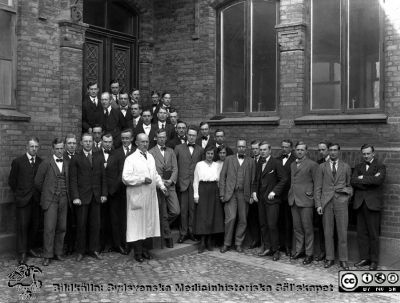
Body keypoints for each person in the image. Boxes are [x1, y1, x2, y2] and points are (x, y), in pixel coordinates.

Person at [122, 133, 168, 262]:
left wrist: (162, 186)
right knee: (137, 226)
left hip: (150, 197)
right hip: (137, 197)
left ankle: (145, 250)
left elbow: (156, 174)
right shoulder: (130, 159)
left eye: (147, 142)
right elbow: (125, 178)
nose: (145, 144)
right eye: (142, 142)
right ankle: (137, 253)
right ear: (136, 143)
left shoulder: (151, 157)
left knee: (148, 225)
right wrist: (142, 179)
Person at [69, 133, 107, 262]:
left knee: (95, 225)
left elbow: (103, 177)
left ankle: (94, 249)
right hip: (82, 197)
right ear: (81, 143)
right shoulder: (76, 158)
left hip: (96, 196)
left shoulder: (99, 156)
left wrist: (103, 193)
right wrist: (75, 196)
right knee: (81, 225)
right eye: (85, 141)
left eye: (90, 141)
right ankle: (80, 251)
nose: (88, 143)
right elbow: (73, 179)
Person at [315, 143, 352, 270]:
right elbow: (318, 187)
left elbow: (350, 186)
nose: (332, 152)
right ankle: (329, 258)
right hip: (326, 203)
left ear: (339, 151)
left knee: (342, 232)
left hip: (341, 202)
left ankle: (343, 259)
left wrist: (346, 195)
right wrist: (318, 204)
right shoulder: (321, 167)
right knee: (328, 232)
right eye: (330, 150)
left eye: (335, 150)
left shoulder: (346, 167)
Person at [35, 138, 69, 266]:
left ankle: (58, 252)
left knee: (62, 227)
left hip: (64, 199)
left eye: (61, 148)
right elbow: (38, 182)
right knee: (49, 228)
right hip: (50, 200)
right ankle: (47, 255)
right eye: (57, 149)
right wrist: (47, 193)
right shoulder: (46, 163)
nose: (60, 151)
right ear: (53, 149)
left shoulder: (66, 163)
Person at [351, 144, 386, 270]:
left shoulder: (380, 166)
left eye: (368, 153)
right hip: (360, 203)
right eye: (364, 154)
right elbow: (353, 181)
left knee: (373, 233)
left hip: (373, 204)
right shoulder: (359, 166)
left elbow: (378, 181)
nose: (366, 156)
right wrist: (369, 181)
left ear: (373, 153)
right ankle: (364, 258)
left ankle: (374, 261)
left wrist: (363, 178)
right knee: (361, 233)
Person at [8, 137, 43, 264]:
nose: (34, 149)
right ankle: (22, 252)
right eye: (32, 146)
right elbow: (12, 181)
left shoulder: (40, 162)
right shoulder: (18, 162)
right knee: (23, 226)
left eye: (36, 147)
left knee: (35, 225)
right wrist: (19, 195)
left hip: (36, 200)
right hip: (23, 200)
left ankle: (30, 248)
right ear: (27, 147)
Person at [252, 142, 287, 261]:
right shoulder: (259, 163)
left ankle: (275, 250)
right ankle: (267, 247)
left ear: (270, 150)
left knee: (272, 225)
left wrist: (275, 191)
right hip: (261, 199)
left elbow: (284, 179)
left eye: (264, 149)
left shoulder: (276, 162)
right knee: (263, 225)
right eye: (260, 150)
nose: (262, 152)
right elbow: (256, 179)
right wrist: (254, 192)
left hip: (272, 200)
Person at [219, 139, 255, 253]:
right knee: (231, 218)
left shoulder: (251, 161)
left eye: (243, 147)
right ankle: (226, 243)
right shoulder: (229, 159)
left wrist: (251, 195)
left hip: (244, 194)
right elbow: (222, 177)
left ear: (246, 148)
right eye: (239, 146)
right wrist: (222, 194)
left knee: (243, 219)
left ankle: (238, 243)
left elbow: (253, 180)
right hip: (231, 193)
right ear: (236, 147)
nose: (241, 148)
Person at [105, 129, 135, 255]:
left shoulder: (136, 152)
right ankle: (119, 244)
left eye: (127, 138)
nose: (125, 140)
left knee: (131, 220)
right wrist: (113, 190)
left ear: (132, 139)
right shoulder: (115, 153)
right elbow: (111, 173)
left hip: (134, 191)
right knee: (118, 220)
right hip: (118, 192)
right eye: (123, 138)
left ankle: (131, 243)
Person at [149, 129, 180, 248]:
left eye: (164, 137)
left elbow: (175, 168)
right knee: (163, 213)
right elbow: (152, 170)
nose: (162, 139)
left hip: (170, 185)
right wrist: (161, 182)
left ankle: (162, 225)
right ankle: (167, 236)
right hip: (159, 187)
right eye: (160, 137)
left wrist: (171, 180)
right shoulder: (151, 152)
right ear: (156, 138)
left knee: (175, 211)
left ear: (166, 138)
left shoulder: (171, 151)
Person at [288, 141, 318, 265]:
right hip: (294, 200)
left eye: (302, 150)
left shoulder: (312, 165)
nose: (299, 152)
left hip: (306, 200)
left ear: (306, 151)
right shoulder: (292, 164)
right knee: (297, 228)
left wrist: (315, 199)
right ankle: (299, 250)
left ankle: (309, 253)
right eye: (297, 149)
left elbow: (317, 184)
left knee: (308, 228)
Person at [175, 126, 203, 243]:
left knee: (193, 210)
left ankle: (191, 232)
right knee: (183, 210)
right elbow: (175, 166)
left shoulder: (200, 150)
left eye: (194, 135)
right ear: (187, 135)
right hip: (182, 183)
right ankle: (183, 233)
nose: (191, 137)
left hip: (194, 184)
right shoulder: (178, 148)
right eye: (190, 135)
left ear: (196, 137)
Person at [193, 146, 224, 253]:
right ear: (205, 154)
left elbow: (219, 180)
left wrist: (220, 193)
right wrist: (196, 195)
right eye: (208, 153)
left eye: (211, 154)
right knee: (203, 216)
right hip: (203, 189)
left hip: (213, 190)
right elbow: (196, 180)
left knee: (212, 215)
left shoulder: (217, 165)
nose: (210, 156)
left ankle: (209, 241)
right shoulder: (199, 165)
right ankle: (202, 242)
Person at [276, 139, 296, 256]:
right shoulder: (277, 159)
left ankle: (288, 246)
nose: (284, 149)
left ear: (291, 148)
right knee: (278, 221)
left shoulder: (294, 160)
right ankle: (280, 244)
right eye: (282, 146)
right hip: (278, 196)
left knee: (288, 222)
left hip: (289, 195)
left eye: (286, 147)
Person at [314, 140, 332, 262]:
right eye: (319, 150)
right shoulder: (318, 163)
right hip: (322, 201)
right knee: (321, 227)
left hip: (333, 201)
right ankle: (323, 251)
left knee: (333, 228)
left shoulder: (335, 163)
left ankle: (332, 253)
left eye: (323, 149)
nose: (321, 152)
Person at [63, 134, 77, 255]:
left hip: (78, 194)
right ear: (65, 145)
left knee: (78, 221)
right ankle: (68, 245)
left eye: (73, 143)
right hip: (66, 194)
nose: (72, 145)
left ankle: (77, 245)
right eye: (69, 143)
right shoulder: (62, 157)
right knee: (67, 221)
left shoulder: (79, 156)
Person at [247, 140, 262, 249]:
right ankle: (255, 239)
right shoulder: (249, 160)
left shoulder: (264, 160)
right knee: (252, 218)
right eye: (253, 149)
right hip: (251, 194)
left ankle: (263, 241)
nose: (255, 151)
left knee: (262, 219)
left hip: (262, 195)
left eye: (256, 148)